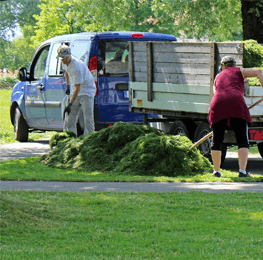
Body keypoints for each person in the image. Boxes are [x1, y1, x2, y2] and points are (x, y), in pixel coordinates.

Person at [208, 56, 263, 178]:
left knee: (217, 139)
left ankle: (216, 171)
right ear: (234, 64)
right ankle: (242, 172)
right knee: (242, 138)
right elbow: (259, 71)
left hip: (217, 103)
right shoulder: (240, 71)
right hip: (236, 102)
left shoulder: (218, 76)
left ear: (223, 65)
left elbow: (214, 92)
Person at [56, 45, 96, 136]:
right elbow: (66, 72)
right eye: (61, 58)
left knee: (88, 118)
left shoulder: (76, 67)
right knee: (70, 117)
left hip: (86, 90)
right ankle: (71, 138)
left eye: (64, 58)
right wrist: (67, 85)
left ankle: (89, 138)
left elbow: (78, 89)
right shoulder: (63, 61)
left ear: (69, 55)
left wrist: (70, 103)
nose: (63, 60)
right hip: (75, 89)